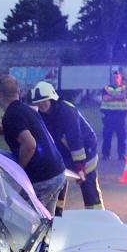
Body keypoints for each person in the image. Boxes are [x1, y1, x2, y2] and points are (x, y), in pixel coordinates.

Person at [29, 81, 104, 211]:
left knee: (88, 185)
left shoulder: (66, 112)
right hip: (64, 153)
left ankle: (97, 217)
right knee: (58, 183)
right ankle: (56, 216)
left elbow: (75, 140)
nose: (41, 105)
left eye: (44, 101)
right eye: (39, 103)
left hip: (86, 150)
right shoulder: (42, 114)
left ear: (52, 99)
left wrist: (80, 167)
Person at [0, 75, 66, 212]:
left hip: (43, 179)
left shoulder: (11, 115)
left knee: (18, 219)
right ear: (19, 92)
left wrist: (17, 170)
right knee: (46, 222)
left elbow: (30, 144)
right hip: (58, 172)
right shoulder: (28, 110)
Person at [99, 69, 127, 162]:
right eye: (114, 77)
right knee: (107, 136)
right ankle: (106, 154)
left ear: (121, 78)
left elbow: (124, 96)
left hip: (120, 115)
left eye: (117, 77)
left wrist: (113, 96)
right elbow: (105, 98)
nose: (115, 79)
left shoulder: (124, 88)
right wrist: (118, 96)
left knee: (121, 136)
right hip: (108, 115)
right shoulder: (106, 88)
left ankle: (121, 154)